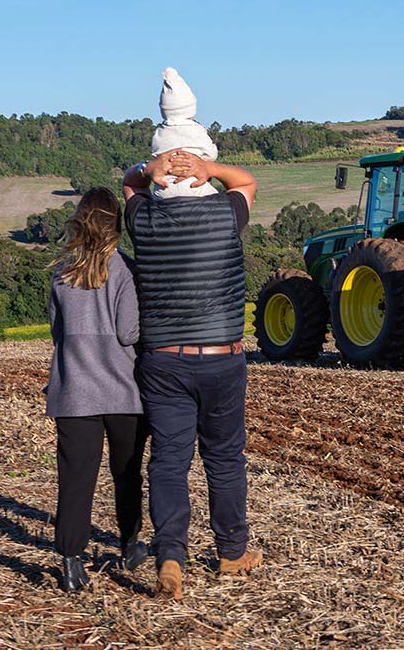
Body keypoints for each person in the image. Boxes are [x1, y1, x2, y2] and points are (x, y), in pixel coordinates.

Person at [122, 150, 262, 601]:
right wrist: (212, 170)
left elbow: (131, 183)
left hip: (163, 361)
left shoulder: (143, 222)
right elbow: (247, 182)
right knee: (223, 458)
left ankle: (169, 558)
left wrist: (150, 169)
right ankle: (232, 552)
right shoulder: (225, 214)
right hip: (222, 357)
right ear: (200, 181)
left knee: (169, 460)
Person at [43, 187, 149, 592]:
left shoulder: (62, 272)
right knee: (126, 473)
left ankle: (71, 562)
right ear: (116, 223)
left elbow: (58, 333)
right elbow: (128, 332)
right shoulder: (125, 270)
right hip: (124, 391)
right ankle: (129, 545)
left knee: (75, 478)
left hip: (74, 393)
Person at [149, 67, 220, 200]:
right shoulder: (197, 130)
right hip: (195, 186)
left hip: (165, 189)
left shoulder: (159, 132)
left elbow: (155, 155)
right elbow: (211, 155)